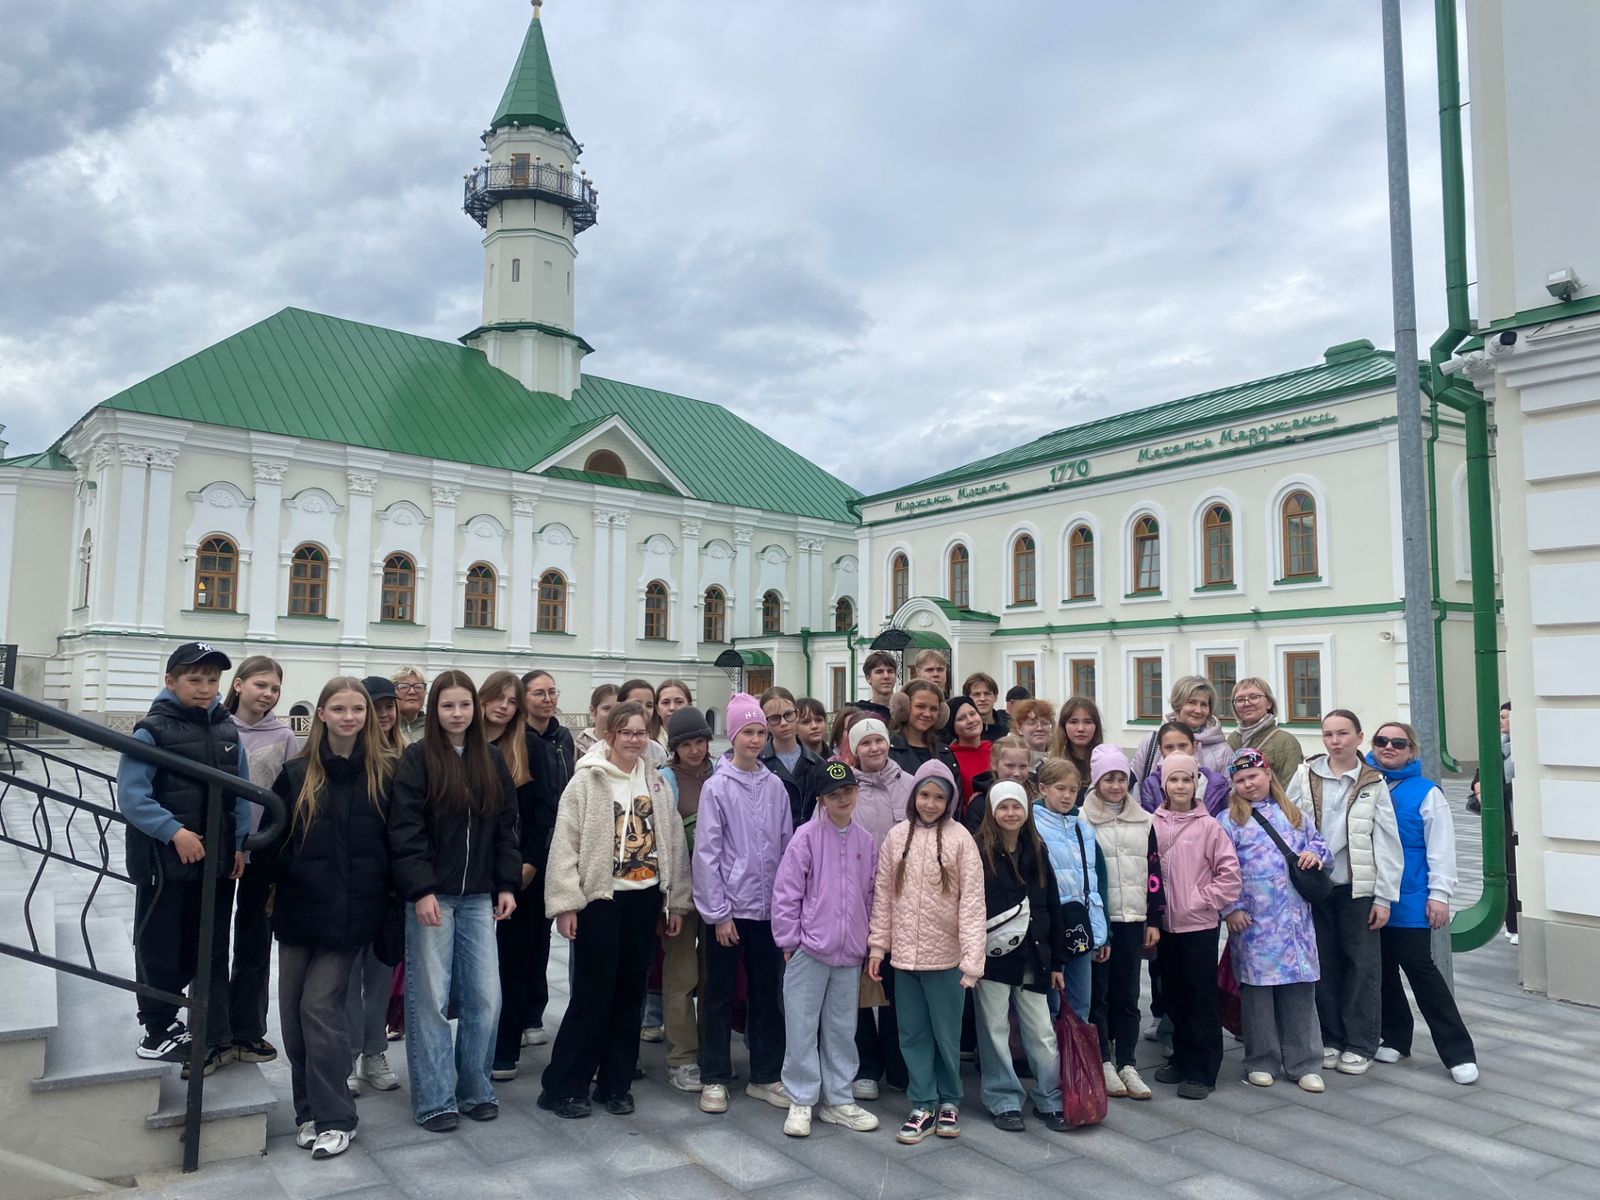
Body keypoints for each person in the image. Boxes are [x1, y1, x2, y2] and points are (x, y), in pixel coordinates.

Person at [538, 702, 692, 1118]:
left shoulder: (656, 783)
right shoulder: (587, 781)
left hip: (643, 900)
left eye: (641, 733)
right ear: (610, 735)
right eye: (626, 732)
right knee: (593, 995)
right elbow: (565, 843)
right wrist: (567, 903)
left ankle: (615, 1082)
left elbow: (673, 840)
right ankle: (564, 1085)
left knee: (630, 995)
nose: (634, 740)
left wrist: (675, 899)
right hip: (600, 901)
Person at [387, 670, 520, 1131]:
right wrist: (420, 889)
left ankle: (475, 1087)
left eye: (464, 705)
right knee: (431, 1000)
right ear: (434, 710)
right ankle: (434, 1098)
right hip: (434, 898)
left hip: (480, 896)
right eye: (448, 706)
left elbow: (506, 825)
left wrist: (506, 884)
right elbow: (405, 830)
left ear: (475, 709)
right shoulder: (418, 758)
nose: (457, 714)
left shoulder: (492, 760)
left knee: (486, 997)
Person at [269, 676, 394, 1159]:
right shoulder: (297, 773)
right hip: (300, 914)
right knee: (293, 1015)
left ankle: (338, 1116)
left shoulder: (384, 772)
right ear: (321, 714)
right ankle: (307, 1112)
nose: (349, 717)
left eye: (357, 710)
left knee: (320, 1009)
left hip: (352, 916)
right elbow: (276, 845)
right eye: (338, 708)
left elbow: (396, 844)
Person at [118, 642, 252, 1073]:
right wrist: (173, 832)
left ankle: (207, 1031)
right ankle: (156, 1029)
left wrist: (240, 844)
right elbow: (132, 796)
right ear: (170, 681)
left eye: (212, 680)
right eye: (195, 680)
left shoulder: (228, 730)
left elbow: (242, 794)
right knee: (160, 945)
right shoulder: (152, 731)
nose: (205, 688)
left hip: (215, 862)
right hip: (165, 864)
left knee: (207, 945)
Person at [867, 761, 984, 1145]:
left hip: (946, 960)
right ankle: (923, 1101)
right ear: (914, 796)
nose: (930, 804)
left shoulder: (961, 839)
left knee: (946, 1034)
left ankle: (949, 1098)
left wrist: (972, 961)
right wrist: (878, 946)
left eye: (938, 797)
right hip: (904, 958)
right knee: (912, 1033)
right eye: (924, 795)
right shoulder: (896, 837)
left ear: (950, 800)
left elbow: (971, 904)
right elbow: (883, 896)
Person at [693, 694, 795, 1115]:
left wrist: (785, 909)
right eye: (747, 732)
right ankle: (714, 1075)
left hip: (767, 911)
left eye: (760, 733)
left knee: (766, 992)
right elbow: (707, 853)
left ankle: (766, 1074)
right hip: (729, 913)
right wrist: (718, 913)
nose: (754, 740)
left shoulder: (775, 787)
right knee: (718, 993)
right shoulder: (717, 787)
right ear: (733, 736)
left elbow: (787, 847)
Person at [1286, 709, 1400, 1077]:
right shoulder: (1306, 775)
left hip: (1356, 887)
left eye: (1343, 734)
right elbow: (1288, 824)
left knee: (1362, 965)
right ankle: (1331, 1037)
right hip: (1316, 887)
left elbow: (1386, 842)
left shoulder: (1372, 782)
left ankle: (1361, 1042)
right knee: (1323, 961)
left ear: (1358, 737)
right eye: (1329, 734)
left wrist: (1383, 897)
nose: (1335, 741)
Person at [771, 762, 882, 1137]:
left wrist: (868, 941)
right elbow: (787, 893)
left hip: (849, 950)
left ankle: (838, 1098)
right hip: (810, 948)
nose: (843, 799)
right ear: (821, 799)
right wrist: (789, 941)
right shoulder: (806, 837)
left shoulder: (866, 842)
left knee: (841, 1027)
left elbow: (870, 894)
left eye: (848, 792)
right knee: (801, 1024)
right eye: (834, 795)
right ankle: (801, 1098)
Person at [1368, 722, 1480, 1085]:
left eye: (1398, 743)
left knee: (1420, 969)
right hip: (1370, 893)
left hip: (1411, 893)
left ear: (1411, 751)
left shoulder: (1426, 792)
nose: (1389, 747)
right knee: (1381, 968)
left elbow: (1441, 846)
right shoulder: (1366, 781)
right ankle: (1396, 1036)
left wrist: (1440, 895)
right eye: (1381, 741)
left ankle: (1458, 1051)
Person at [1219, 747, 1331, 1093]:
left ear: (1268, 775)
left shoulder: (1293, 814)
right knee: (1258, 994)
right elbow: (1223, 867)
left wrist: (1316, 854)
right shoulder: (1230, 822)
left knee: (1299, 991)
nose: (1248, 784)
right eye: (1240, 780)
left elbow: (1320, 844)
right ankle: (1261, 1058)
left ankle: (1304, 1060)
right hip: (1255, 922)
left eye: (1253, 776)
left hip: (1295, 920)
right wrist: (1231, 908)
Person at [972, 782, 1069, 1132]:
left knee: (1041, 1031)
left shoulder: (1037, 849)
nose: (1010, 813)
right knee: (994, 1030)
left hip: (1034, 956)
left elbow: (1053, 906)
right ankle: (1004, 1100)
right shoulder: (979, 850)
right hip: (994, 958)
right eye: (1003, 807)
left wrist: (1058, 961)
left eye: (1017, 807)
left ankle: (1049, 1097)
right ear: (993, 811)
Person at [1150, 754, 1240, 1100]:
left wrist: (1202, 899)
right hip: (1165, 925)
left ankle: (1204, 1068)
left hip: (1198, 924)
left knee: (1200, 997)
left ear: (1195, 783)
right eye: (1174, 780)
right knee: (1174, 994)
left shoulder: (1209, 827)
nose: (1180, 786)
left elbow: (1229, 876)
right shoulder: (1153, 823)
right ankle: (1182, 1057)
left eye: (1186, 780)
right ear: (1164, 785)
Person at [224, 655, 298, 1068]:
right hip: (220, 849)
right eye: (260, 685)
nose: (268, 694)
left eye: (274, 688)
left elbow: (287, 795)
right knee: (213, 939)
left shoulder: (285, 735)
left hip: (263, 853)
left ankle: (248, 1030)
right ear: (238, 685)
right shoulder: (216, 727)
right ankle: (212, 1025)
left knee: (253, 941)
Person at [1082, 744, 1163, 1101]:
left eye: (1121, 778)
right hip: (1101, 921)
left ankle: (1128, 1060)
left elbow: (1154, 872)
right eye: (1108, 779)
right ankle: (1103, 1059)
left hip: (1132, 917)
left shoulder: (1144, 820)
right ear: (1096, 781)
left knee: (1129, 993)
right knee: (1098, 993)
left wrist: (1153, 917)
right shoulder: (1083, 819)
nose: (1115, 786)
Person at [479, 672, 546, 1084]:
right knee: (478, 968)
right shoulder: (465, 746)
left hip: (520, 874)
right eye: (496, 698)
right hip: (473, 873)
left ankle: (504, 1048)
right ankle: (476, 1044)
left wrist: (531, 862)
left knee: (513, 962)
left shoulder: (530, 747)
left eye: (511, 700)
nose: (503, 706)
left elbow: (544, 811)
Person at [845, 715, 911, 1099]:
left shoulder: (909, 784)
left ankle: (897, 1061)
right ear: (855, 750)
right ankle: (866, 1065)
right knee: (860, 986)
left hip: (903, 903)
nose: (874, 748)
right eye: (865, 743)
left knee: (896, 987)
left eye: (879, 741)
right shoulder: (848, 789)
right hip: (860, 901)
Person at [345, 676, 404, 1095]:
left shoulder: (405, 755)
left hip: (389, 885)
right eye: (375, 706)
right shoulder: (348, 754)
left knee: (380, 976)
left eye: (389, 706)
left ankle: (374, 1051)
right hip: (349, 883)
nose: (383, 714)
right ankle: (348, 1054)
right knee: (346, 978)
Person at [659, 706, 715, 1093]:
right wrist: (673, 899)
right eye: (687, 744)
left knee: (713, 976)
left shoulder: (721, 772)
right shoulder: (666, 781)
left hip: (718, 894)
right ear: (674, 748)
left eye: (700, 741)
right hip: (681, 893)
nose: (695, 750)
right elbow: (666, 843)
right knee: (681, 975)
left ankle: (711, 1044)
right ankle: (682, 1055)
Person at [518, 669, 574, 1047]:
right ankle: (515, 1013)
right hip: (527, 848)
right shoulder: (518, 738)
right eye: (539, 693)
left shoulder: (562, 736)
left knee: (542, 936)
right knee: (520, 935)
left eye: (552, 692)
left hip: (560, 843)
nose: (547, 699)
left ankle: (533, 1011)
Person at [1032, 758, 1105, 1022]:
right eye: (1060, 788)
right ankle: (1051, 1062)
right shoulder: (1032, 825)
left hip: (1079, 925)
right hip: (1050, 926)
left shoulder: (1082, 828)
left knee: (1080, 1002)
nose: (1066, 796)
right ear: (1043, 788)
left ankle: (1076, 1061)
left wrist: (1101, 931)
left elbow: (1094, 881)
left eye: (1072, 790)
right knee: (1050, 1004)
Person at [1131, 676, 1231, 781]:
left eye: (1204, 704)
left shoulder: (1222, 750)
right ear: (1177, 704)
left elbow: (1228, 792)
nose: (1198, 710)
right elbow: (1135, 786)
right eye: (1192, 702)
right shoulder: (1152, 742)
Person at [759, 686, 826, 826]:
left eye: (788, 715)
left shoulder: (817, 763)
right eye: (775, 718)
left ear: (796, 714)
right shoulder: (758, 763)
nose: (783, 723)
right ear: (765, 723)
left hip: (807, 841)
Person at [1137, 721, 1229, 817]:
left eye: (1182, 746)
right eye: (1169, 747)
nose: (1176, 752)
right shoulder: (1153, 784)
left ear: (1194, 747)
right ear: (1161, 751)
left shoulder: (1216, 784)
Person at [1227, 677, 1305, 786]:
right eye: (1240, 700)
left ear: (1269, 703)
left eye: (1254, 697)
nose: (1247, 703)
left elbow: (1292, 789)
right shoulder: (1233, 740)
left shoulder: (1285, 741)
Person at [888, 680, 960, 786]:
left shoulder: (944, 753)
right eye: (920, 706)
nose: (927, 714)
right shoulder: (887, 750)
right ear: (904, 707)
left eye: (933, 709)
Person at [959, 734, 1032, 834]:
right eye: (1009, 766)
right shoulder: (980, 803)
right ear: (994, 764)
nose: (1017, 773)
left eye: (1023, 766)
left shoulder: (1032, 798)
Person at [1049, 697, 1105, 803]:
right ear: (1063, 726)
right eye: (1073, 722)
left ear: (1096, 726)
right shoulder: (1052, 764)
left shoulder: (1106, 763)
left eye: (1087, 722)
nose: (1080, 729)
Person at [944, 695, 991, 811]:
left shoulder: (996, 750)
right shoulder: (949, 758)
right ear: (952, 727)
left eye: (973, 713)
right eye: (961, 718)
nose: (970, 720)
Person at [618, 679, 669, 767]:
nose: (643, 710)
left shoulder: (657, 751)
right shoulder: (600, 750)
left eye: (649, 705)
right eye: (637, 704)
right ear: (619, 706)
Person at [574, 684, 620, 758]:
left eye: (618, 709)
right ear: (593, 710)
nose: (613, 714)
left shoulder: (629, 741)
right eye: (607, 708)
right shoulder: (582, 742)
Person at [962, 672, 1010, 739]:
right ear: (967, 699)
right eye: (976, 694)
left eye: (987, 693)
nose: (982, 699)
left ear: (995, 697)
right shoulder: (960, 732)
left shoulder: (1008, 731)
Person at [1012, 698, 1056, 768]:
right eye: (1032, 723)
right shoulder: (1011, 760)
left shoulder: (1059, 758)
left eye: (1044, 723)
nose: (1039, 728)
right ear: (1019, 728)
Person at [857, 650, 899, 720]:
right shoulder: (860, 713)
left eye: (890, 671)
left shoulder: (905, 711)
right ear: (868, 678)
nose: (886, 676)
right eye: (879, 672)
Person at [392, 666, 428, 745]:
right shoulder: (386, 728)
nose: (412, 692)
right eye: (404, 687)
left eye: (418, 687)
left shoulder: (434, 729)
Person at [655, 679, 694, 747]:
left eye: (679, 702)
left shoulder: (698, 741)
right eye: (665, 702)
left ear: (689, 706)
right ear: (657, 709)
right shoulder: (648, 744)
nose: (672, 708)